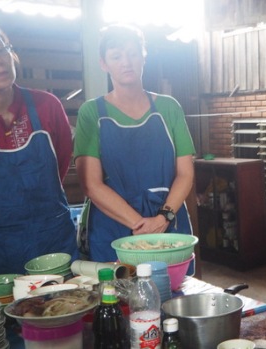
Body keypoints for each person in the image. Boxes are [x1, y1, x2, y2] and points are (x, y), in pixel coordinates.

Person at [0, 17, 78, 293]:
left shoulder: (47, 106)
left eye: (0, 48)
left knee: (62, 325)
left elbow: (59, 167)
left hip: (52, 247)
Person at [74, 24, 195, 264]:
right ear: (104, 63)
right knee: (117, 296)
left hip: (167, 223)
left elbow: (185, 173)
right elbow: (91, 184)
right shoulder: (91, 113)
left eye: (133, 53)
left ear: (144, 56)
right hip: (114, 226)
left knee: (172, 293)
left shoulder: (169, 108)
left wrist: (162, 218)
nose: (126, 62)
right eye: (116, 56)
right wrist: (140, 225)